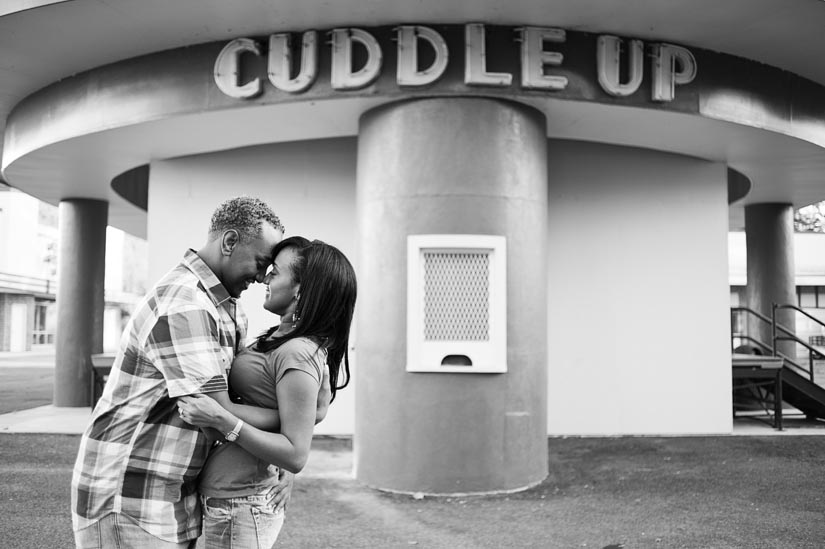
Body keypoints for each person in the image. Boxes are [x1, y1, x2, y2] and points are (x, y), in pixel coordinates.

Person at [71, 196, 307, 548]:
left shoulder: (227, 308)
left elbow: (243, 401)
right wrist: (293, 427)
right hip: (131, 498)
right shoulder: (185, 302)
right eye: (260, 263)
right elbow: (216, 412)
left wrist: (287, 447)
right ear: (229, 242)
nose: (262, 276)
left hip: (172, 495)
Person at [176, 236, 357, 548]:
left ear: (301, 289)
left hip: (242, 503)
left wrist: (224, 421)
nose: (265, 276)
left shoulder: (298, 352)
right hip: (230, 497)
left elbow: (295, 453)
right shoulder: (279, 338)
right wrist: (295, 417)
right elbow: (296, 419)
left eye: (276, 270)